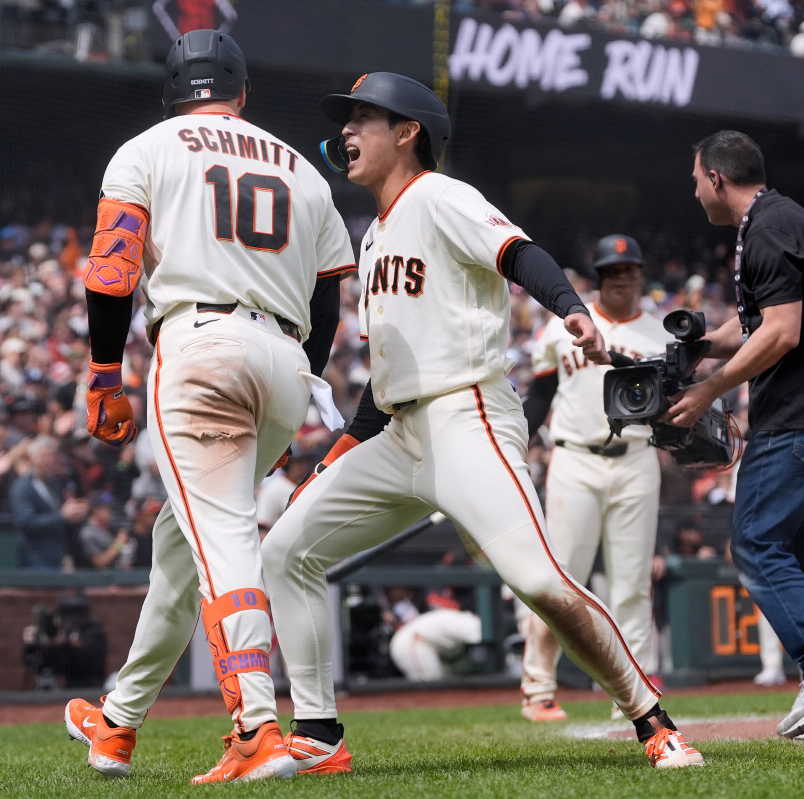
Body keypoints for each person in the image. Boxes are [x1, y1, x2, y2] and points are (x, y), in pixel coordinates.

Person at [260, 72, 703, 773]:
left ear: (408, 132)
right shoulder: (372, 238)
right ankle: (318, 732)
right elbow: (388, 377)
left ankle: (653, 720)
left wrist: (571, 309)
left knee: (539, 580)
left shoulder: (440, 195)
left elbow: (519, 252)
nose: (347, 130)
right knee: (287, 550)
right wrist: (342, 447)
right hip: (401, 431)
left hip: (468, 415)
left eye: (364, 118)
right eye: (345, 120)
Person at [64, 30, 354, 784]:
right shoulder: (302, 168)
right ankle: (119, 722)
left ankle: (257, 727)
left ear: (172, 88)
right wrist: (290, 404)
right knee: (179, 545)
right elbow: (327, 308)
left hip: (200, 347)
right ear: (243, 93)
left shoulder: (147, 147)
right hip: (285, 360)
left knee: (222, 543)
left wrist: (103, 373)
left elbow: (111, 269)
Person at [669, 130, 804, 738]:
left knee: (756, 542)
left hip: (801, 419)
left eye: (695, 178)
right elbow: (755, 322)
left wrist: (708, 390)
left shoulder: (769, 229)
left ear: (716, 179)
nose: (693, 188)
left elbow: (781, 332)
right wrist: (702, 351)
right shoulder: (777, 221)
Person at [519, 234, 672, 722]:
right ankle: (538, 687)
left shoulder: (660, 336)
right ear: (598, 277)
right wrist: (514, 444)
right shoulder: (562, 329)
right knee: (561, 578)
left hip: (636, 458)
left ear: (641, 275)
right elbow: (538, 402)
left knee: (632, 584)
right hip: (574, 460)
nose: (621, 278)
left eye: (629, 270)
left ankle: (633, 691)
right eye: (611, 271)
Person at [10, 436, 87, 569]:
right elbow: (26, 522)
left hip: (58, 555)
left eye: (52, 456)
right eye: (44, 456)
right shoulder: (22, 487)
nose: (49, 461)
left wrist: (75, 514)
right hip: (35, 559)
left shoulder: (56, 484)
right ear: (32, 458)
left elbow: (62, 514)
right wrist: (62, 516)